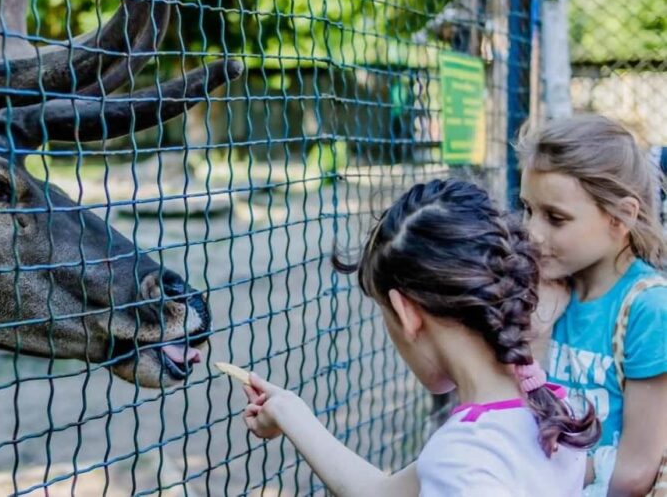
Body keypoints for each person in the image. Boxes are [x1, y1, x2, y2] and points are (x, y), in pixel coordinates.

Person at [241, 179, 600, 496]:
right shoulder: (549, 410)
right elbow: (382, 493)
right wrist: (288, 412)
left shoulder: (462, 458)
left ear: (405, 312)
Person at [518, 114, 667, 496]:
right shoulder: (544, 289)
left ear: (621, 216)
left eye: (555, 217)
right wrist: (538, 325)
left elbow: (635, 471)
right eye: (528, 209)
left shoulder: (648, 309)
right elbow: (519, 414)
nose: (532, 232)